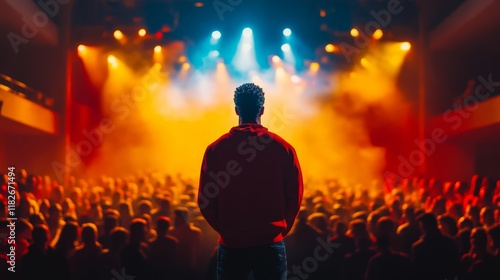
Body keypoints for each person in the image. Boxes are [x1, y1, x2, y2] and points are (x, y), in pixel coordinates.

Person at [198, 83, 303, 280]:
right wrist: (277, 231)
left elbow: (205, 200)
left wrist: (228, 230)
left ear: (236, 109)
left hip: (232, 245)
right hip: (270, 244)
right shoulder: (283, 148)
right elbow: (294, 197)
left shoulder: (215, 149)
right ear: (262, 109)